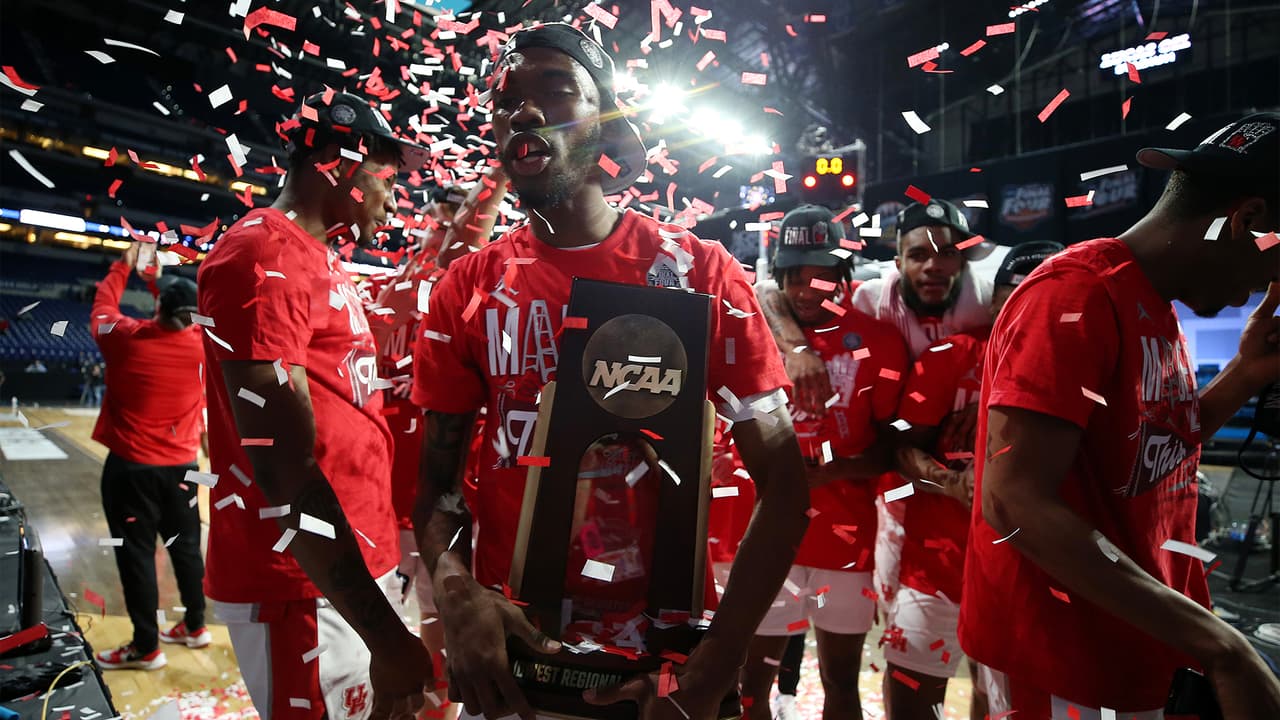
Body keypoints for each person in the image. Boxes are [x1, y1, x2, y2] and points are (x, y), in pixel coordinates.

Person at [411, 23, 809, 720]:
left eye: (555, 91)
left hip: (667, 674)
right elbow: (437, 488)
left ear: (608, 121)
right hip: (519, 667)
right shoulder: (466, 287)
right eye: (505, 101)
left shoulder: (698, 272)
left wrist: (715, 666)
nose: (522, 112)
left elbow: (785, 484)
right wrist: (454, 586)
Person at [961, 112, 1280, 718]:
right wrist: (1223, 647)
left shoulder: (1153, 300)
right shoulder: (1074, 295)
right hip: (1066, 662)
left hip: (1136, 640)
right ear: (1248, 220)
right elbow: (1013, 502)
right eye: (1276, 258)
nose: (1273, 279)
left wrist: (1245, 375)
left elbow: (1153, 449)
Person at [197, 91, 437, 720]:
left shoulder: (320, 259)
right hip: (302, 588)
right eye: (386, 176)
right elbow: (283, 468)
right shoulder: (259, 255)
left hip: (351, 571)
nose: (395, 196)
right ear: (336, 161)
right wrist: (385, 635)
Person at [760, 199, 993, 617]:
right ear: (898, 260)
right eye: (919, 254)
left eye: (948, 254)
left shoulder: (988, 295)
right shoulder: (871, 296)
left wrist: (989, 403)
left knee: (985, 621)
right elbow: (767, 291)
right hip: (910, 481)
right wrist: (796, 348)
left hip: (973, 469)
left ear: (965, 260)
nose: (933, 267)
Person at [740, 205, 907, 720]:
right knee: (752, 687)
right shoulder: (759, 335)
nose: (808, 288)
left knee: (840, 682)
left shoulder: (879, 342)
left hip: (845, 540)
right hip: (770, 536)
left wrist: (834, 470)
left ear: (844, 276)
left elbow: (890, 448)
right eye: (796, 275)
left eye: (822, 275)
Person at [884, 241, 1062, 719]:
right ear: (995, 299)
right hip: (936, 567)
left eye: (1045, 296)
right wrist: (950, 481)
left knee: (1002, 707)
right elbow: (899, 447)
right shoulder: (952, 355)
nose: (1028, 307)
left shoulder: (1082, 370)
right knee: (912, 701)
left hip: (1030, 573)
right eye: (1015, 294)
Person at [363, 170, 507, 720]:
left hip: (421, 487)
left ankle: (427, 708)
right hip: (410, 489)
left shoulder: (410, 287)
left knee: (431, 617)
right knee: (431, 618)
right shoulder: (418, 283)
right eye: (444, 210)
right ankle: (427, 707)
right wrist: (495, 171)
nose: (449, 222)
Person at [88, 243, 208, 671]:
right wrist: (158, 278)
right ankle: (195, 626)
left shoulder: (126, 338)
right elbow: (179, 309)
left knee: (137, 556)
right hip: (185, 470)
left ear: (158, 309)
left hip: (132, 471)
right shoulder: (203, 346)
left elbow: (102, 306)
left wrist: (125, 268)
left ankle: (146, 647)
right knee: (188, 549)